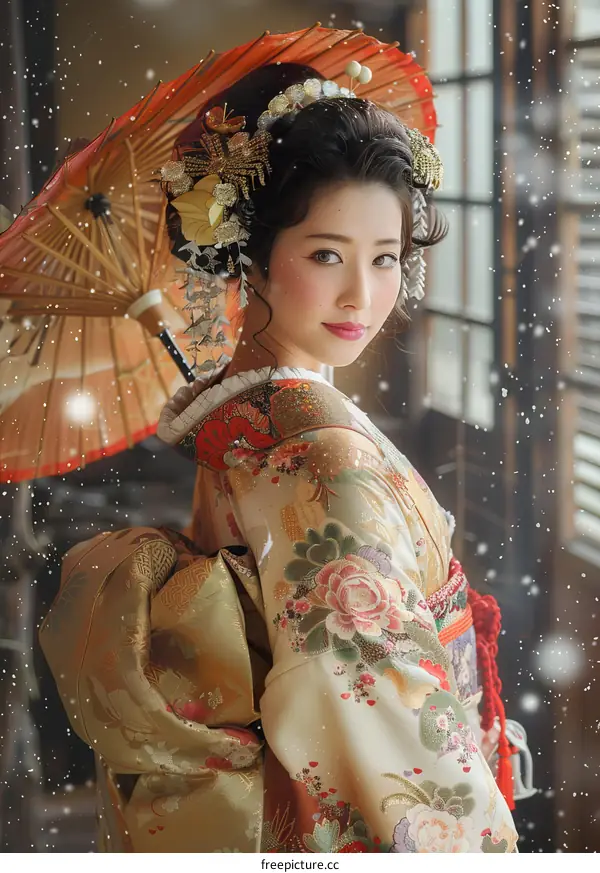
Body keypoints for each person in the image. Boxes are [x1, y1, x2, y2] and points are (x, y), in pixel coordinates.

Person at [41, 49, 524, 853]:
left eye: (385, 258)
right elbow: (378, 702)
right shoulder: (316, 455)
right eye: (326, 254)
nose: (361, 298)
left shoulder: (240, 409)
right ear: (249, 251)